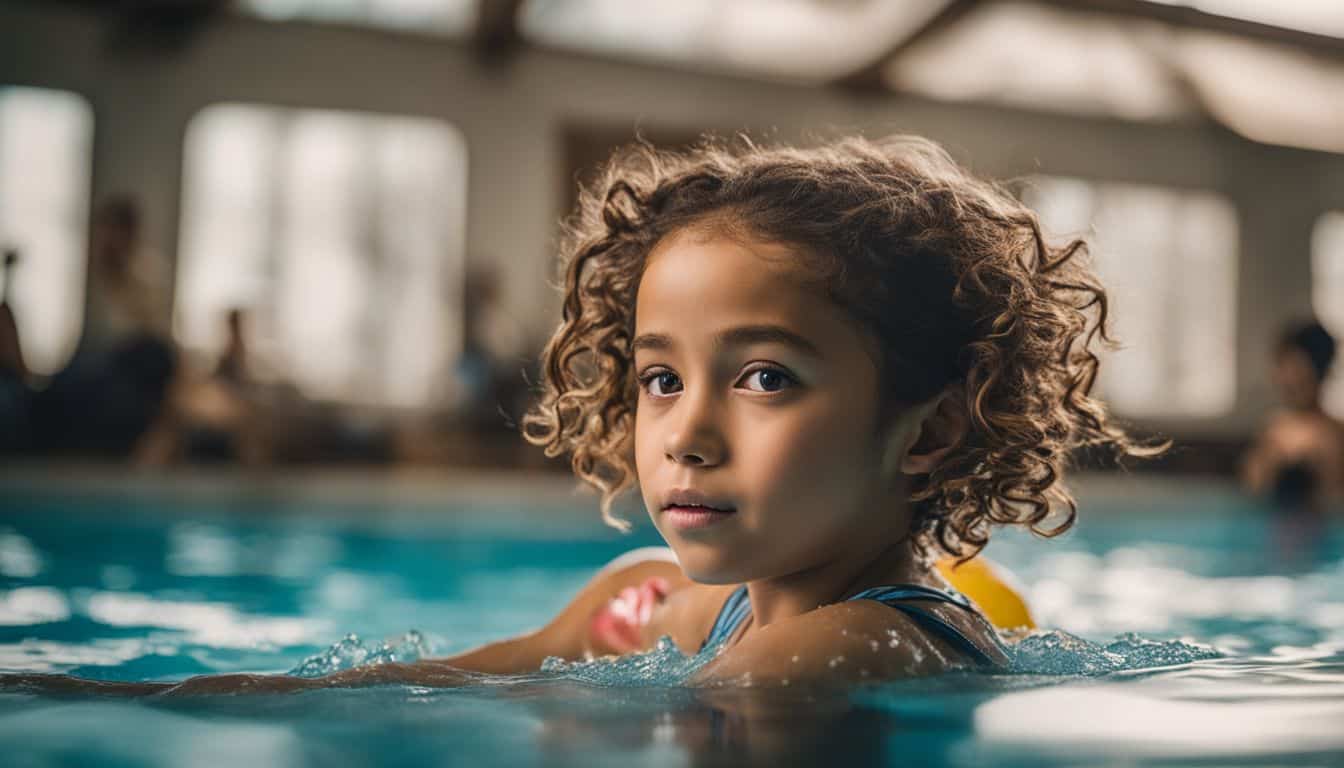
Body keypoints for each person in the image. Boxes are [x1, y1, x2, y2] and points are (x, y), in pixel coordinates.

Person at [5, 135, 1150, 697]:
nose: (686, 434)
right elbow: (423, 686)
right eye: (660, 377)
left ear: (934, 429)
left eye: (764, 378)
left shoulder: (846, 651)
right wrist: (144, 695)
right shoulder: (651, 603)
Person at [1242, 321, 1344, 558]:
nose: (1280, 375)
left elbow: (1256, 489)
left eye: (1290, 366)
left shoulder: (1326, 436)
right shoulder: (1274, 429)